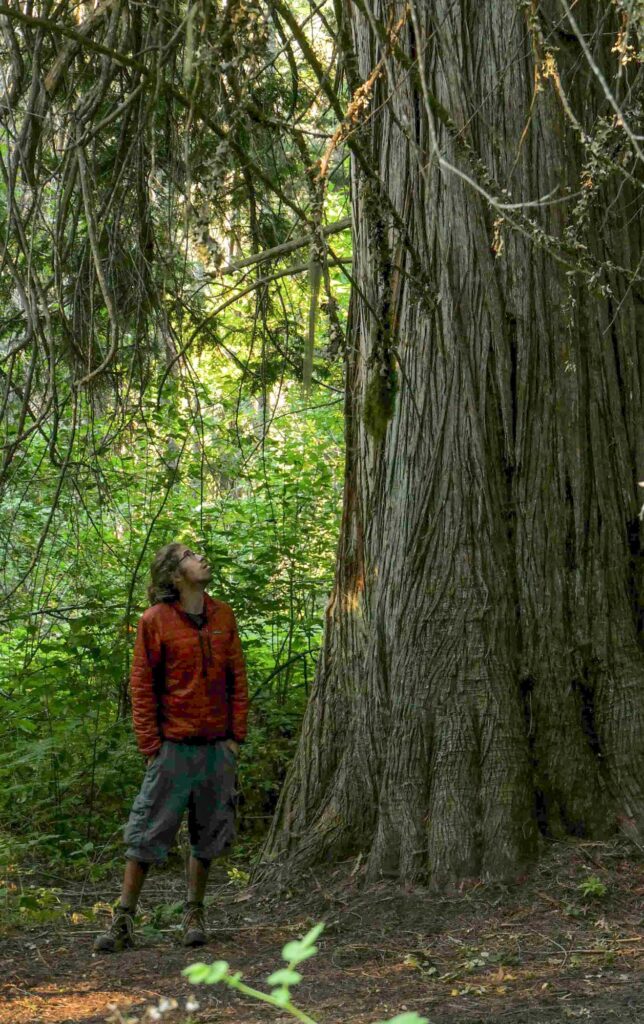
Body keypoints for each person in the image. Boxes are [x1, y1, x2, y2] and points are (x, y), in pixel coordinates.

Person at [94, 541, 248, 952]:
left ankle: (194, 914)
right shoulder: (155, 621)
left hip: (217, 746)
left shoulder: (223, 616)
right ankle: (123, 919)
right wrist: (151, 745)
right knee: (146, 832)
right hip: (173, 748)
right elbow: (142, 686)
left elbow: (237, 679)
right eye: (191, 557)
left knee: (208, 834)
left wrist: (235, 739)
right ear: (175, 574)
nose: (202, 559)